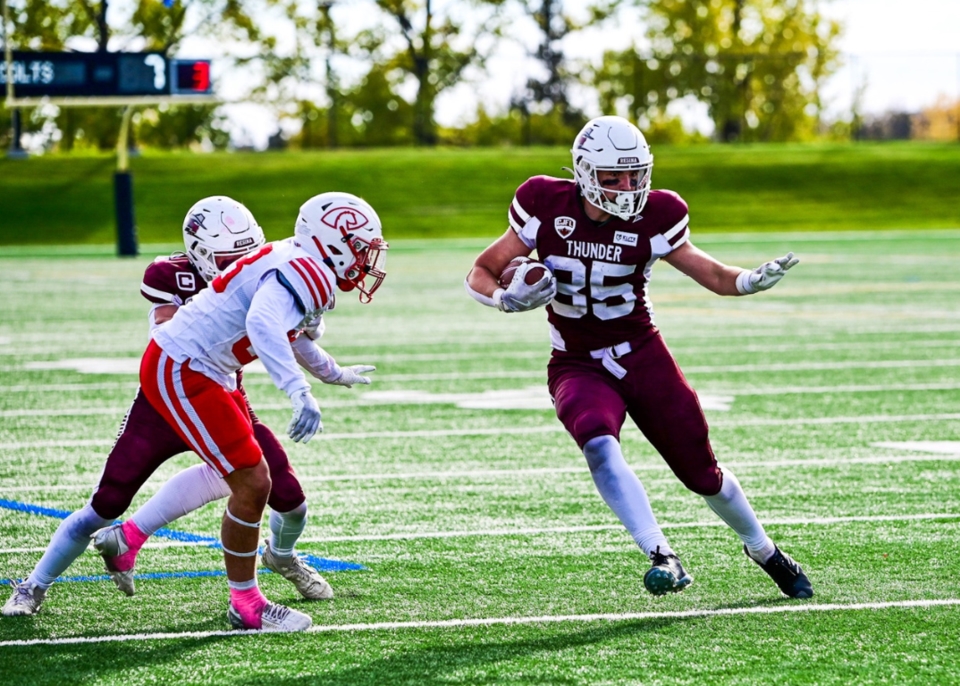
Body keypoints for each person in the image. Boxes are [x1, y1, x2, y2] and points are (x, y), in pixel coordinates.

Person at [464, 115, 812, 599]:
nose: (627, 187)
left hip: (644, 357)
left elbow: (710, 273)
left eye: (634, 174)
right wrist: (503, 299)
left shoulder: (659, 212)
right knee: (598, 445)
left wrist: (748, 280)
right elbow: (482, 270)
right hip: (576, 361)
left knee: (702, 475)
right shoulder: (544, 202)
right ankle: (660, 553)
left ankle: (762, 548)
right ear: (584, 172)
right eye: (612, 177)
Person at [4, 193, 387, 630]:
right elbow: (262, 325)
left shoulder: (300, 264)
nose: (365, 258)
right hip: (183, 373)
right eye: (359, 245)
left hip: (211, 379)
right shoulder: (299, 269)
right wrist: (298, 390)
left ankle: (170, 561)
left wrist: (332, 373)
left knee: (258, 479)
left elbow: (291, 334)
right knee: (216, 484)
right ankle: (242, 604)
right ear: (331, 241)